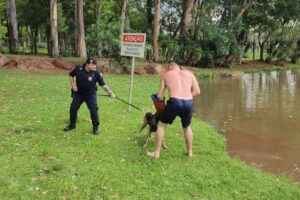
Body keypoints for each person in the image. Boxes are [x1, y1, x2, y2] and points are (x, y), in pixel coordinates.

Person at [147, 62, 200, 159]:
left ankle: (156, 153)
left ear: (170, 67)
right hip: (188, 102)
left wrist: (168, 100)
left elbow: (159, 96)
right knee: (187, 127)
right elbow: (197, 91)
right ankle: (190, 153)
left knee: (161, 125)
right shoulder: (190, 74)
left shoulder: (166, 75)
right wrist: (185, 97)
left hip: (174, 102)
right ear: (178, 67)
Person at [63, 57, 115, 135]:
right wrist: (73, 86)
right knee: (73, 108)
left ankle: (95, 128)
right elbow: (71, 75)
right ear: (86, 64)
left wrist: (110, 92)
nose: (94, 67)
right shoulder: (78, 68)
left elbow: (103, 85)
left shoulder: (96, 72)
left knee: (94, 110)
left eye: (95, 65)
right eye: (92, 65)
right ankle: (72, 125)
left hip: (90, 95)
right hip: (79, 94)